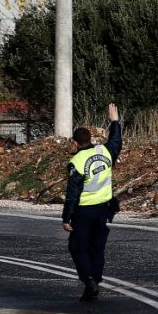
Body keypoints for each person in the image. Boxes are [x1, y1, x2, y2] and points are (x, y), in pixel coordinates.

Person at [62, 102, 122, 301]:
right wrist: (114, 121)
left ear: (75, 142)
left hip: (84, 211)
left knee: (77, 247)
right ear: (90, 139)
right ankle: (94, 280)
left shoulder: (77, 162)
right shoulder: (104, 152)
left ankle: (89, 280)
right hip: (104, 209)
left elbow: (72, 193)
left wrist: (66, 217)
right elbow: (116, 141)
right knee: (97, 246)